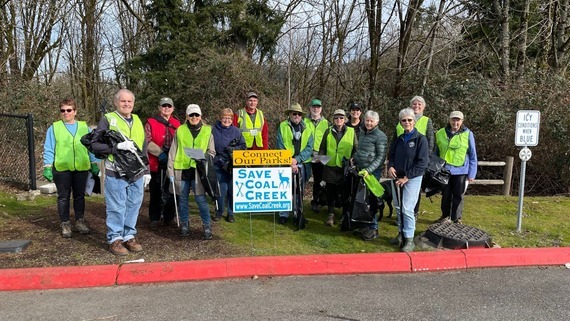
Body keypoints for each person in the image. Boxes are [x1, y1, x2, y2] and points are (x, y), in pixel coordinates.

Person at [90, 89, 151, 256]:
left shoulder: (137, 120)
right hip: (116, 171)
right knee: (116, 206)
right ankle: (115, 238)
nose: (126, 104)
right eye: (123, 101)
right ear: (116, 102)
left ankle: (128, 235)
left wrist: (147, 170)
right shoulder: (108, 119)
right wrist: (116, 147)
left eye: (129, 101)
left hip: (137, 172)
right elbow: (95, 145)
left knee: (134, 205)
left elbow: (143, 147)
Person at [42, 98, 100, 238]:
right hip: (62, 168)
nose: (66, 113)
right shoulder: (54, 128)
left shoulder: (83, 127)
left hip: (81, 167)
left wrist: (94, 163)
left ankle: (79, 221)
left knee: (79, 196)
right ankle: (65, 223)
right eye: (63, 110)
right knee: (63, 197)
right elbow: (49, 148)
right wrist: (47, 166)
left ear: (75, 111)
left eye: (69, 110)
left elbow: (90, 147)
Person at [167, 104, 216, 239]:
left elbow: (212, 152)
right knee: (182, 199)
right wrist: (170, 171)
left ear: (200, 116)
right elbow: (173, 151)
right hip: (181, 169)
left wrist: (200, 156)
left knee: (200, 199)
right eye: (191, 115)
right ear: (187, 116)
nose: (194, 117)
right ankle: (184, 224)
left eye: (196, 115)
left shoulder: (208, 131)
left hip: (198, 171)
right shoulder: (180, 130)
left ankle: (206, 225)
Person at [388, 108, 429, 252]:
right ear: (400, 122)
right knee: (398, 208)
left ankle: (409, 240)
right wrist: (391, 166)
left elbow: (422, 163)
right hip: (396, 177)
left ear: (414, 121)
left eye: (409, 120)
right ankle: (401, 235)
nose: (407, 122)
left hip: (412, 178)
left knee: (407, 209)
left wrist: (407, 177)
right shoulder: (399, 139)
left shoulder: (421, 139)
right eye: (404, 120)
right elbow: (391, 155)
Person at [394, 96, 435, 219]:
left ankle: (413, 214)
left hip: (417, 164)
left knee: (413, 193)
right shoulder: (402, 119)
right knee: (400, 192)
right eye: (414, 104)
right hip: (401, 163)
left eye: (419, 104)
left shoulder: (427, 121)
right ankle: (401, 216)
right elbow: (395, 140)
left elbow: (430, 141)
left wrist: (424, 161)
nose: (416, 106)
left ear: (424, 107)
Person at [434, 111, 478, 224]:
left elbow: (473, 155)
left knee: (458, 195)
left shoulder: (468, 134)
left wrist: (472, 174)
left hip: (461, 170)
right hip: (444, 170)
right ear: (449, 120)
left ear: (462, 121)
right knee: (446, 195)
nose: (455, 122)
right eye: (453, 119)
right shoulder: (440, 133)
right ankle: (445, 216)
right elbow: (436, 153)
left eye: (458, 120)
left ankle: (456, 218)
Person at [144, 97, 181, 230]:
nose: (166, 108)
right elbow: (146, 141)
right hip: (156, 162)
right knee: (156, 191)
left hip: (172, 162)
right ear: (159, 107)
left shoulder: (177, 124)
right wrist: (160, 153)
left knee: (171, 191)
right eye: (164, 106)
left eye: (169, 106)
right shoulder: (151, 122)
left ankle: (169, 217)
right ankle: (154, 217)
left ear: (173, 108)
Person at [352, 110, 388, 240]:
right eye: (367, 120)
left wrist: (369, 170)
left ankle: (374, 228)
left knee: (372, 200)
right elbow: (360, 150)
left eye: (371, 121)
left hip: (372, 173)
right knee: (363, 200)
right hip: (361, 170)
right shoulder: (362, 133)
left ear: (376, 122)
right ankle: (365, 225)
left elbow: (381, 157)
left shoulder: (381, 136)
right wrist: (355, 159)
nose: (369, 123)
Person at [276, 103, 314, 225]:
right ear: (290, 114)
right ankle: (283, 214)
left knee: (299, 190)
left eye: (298, 114)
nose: (296, 116)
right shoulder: (282, 126)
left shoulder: (308, 128)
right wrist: (289, 161)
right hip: (286, 163)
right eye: (294, 113)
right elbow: (280, 146)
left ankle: (298, 212)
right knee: (285, 189)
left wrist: (297, 160)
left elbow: (309, 148)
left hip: (301, 164)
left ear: (301, 116)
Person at [318, 109, 356, 226]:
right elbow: (322, 148)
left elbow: (356, 148)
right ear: (333, 119)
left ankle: (345, 215)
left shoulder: (351, 131)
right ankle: (330, 214)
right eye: (336, 118)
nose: (338, 120)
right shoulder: (328, 131)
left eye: (341, 118)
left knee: (345, 192)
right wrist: (322, 160)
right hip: (330, 166)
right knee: (331, 192)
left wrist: (352, 159)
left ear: (345, 119)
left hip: (344, 167)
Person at [212, 108, 246, 222]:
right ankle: (219, 211)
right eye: (225, 117)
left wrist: (232, 149)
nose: (227, 120)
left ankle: (230, 213)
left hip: (233, 164)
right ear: (220, 118)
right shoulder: (212, 130)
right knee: (221, 190)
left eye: (229, 118)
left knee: (232, 189)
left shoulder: (237, 131)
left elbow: (243, 146)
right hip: (218, 163)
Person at [303, 98, 330, 213]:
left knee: (320, 179)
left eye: (318, 107)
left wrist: (326, 155)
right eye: (314, 107)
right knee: (305, 177)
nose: (316, 109)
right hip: (307, 153)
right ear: (310, 108)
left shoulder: (327, 123)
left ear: (321, 109)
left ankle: (317, 201)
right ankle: (300, 200)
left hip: (320, 154)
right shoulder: (304, 121)